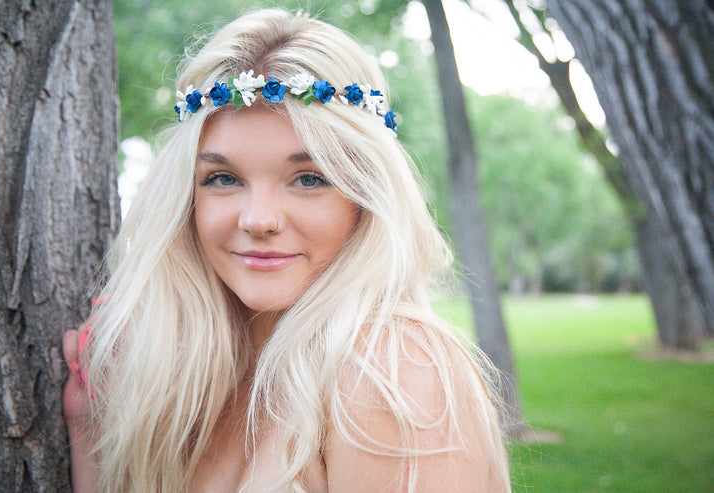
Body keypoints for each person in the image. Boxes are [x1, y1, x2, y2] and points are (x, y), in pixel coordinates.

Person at [62, 8, 511, 493]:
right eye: (223, 178)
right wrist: (89, 425)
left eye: (309, 179)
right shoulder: (185, 381)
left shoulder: (392, 372)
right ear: (187, 199)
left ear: (364, 197)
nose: (258, 219)